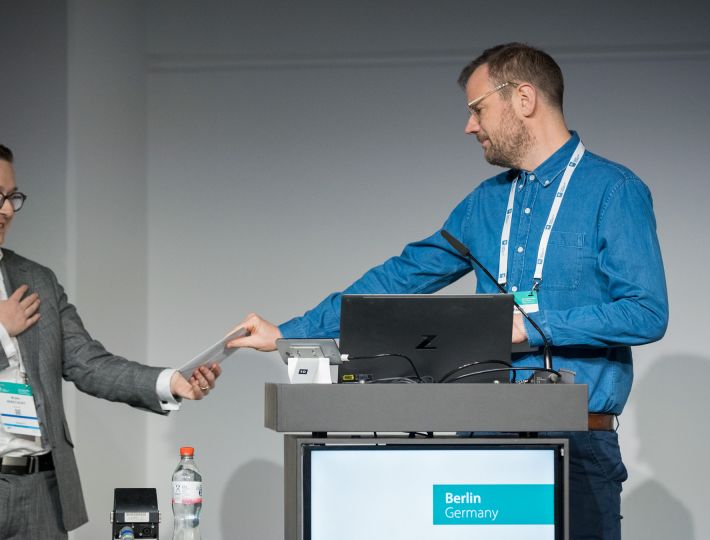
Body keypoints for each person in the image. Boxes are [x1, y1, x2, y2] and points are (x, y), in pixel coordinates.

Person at [230, 43, 668, 539]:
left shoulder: (614, 191)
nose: (469, 126)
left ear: (523, 98)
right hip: (482, 438)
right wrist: (289, 332)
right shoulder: (484, 203)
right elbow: (402, 277)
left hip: (577, 446)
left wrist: (531, 328)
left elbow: (645, 312)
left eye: (478, 109)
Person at [0, 135, 222, 539]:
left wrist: (169, 381)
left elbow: (87, 361)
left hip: (41, 493)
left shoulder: (37, 279)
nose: (4, 210)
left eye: (12, 197)